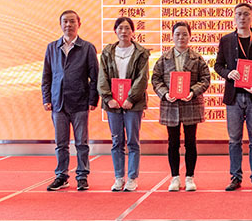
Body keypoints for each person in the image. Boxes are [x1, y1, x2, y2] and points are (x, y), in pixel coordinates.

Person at [214, 3, 252, 191]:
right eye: (239, 14)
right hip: (233, 97)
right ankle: (235, 177)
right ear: (234, 17)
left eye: (246, 14)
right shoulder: (226, 40)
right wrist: (228, 73)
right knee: (234, 139)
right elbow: (218, 65)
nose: (242, 17)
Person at [41, 10, 99, 191]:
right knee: (61, 144)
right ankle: (61, 176)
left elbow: (95, 77)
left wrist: (93, 99)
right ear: (60, 24)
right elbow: (47, 76)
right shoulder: (52, 47)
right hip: (58, 103)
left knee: (81, 143)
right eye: (65, 21)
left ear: (79, 24)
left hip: (80, 102)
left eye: (72, 21)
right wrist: (46, 98)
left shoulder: (87, 48)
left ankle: (82, 176)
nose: (68, 25)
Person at [152, 21, 211, 192]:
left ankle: (190, 177)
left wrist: (193, 91)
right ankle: (175, 177)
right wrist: (165, 93)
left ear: (190, 36)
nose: (181, 37)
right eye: (177, 34)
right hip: (170, 105)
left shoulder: (197, 58)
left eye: (184, 34)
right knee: (173, 143)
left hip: (191, 104)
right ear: (172, 36)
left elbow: (205, 79)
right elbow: (156, 79)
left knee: (191, 142)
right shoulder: (164, 58)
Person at [97, 16, 150, 192]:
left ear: (133, 31)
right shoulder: (107, 52)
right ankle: (119, 177)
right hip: (112, 103)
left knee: (133, 141)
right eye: (120, 28)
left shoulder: (141, 53)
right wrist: (108, 98)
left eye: (127, 28)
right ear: (115, 31)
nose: (124, 31)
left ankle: (132, 178)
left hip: (133, 104)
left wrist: (131, 99)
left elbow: (142, 78)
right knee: (116, 141)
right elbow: (102, 77)